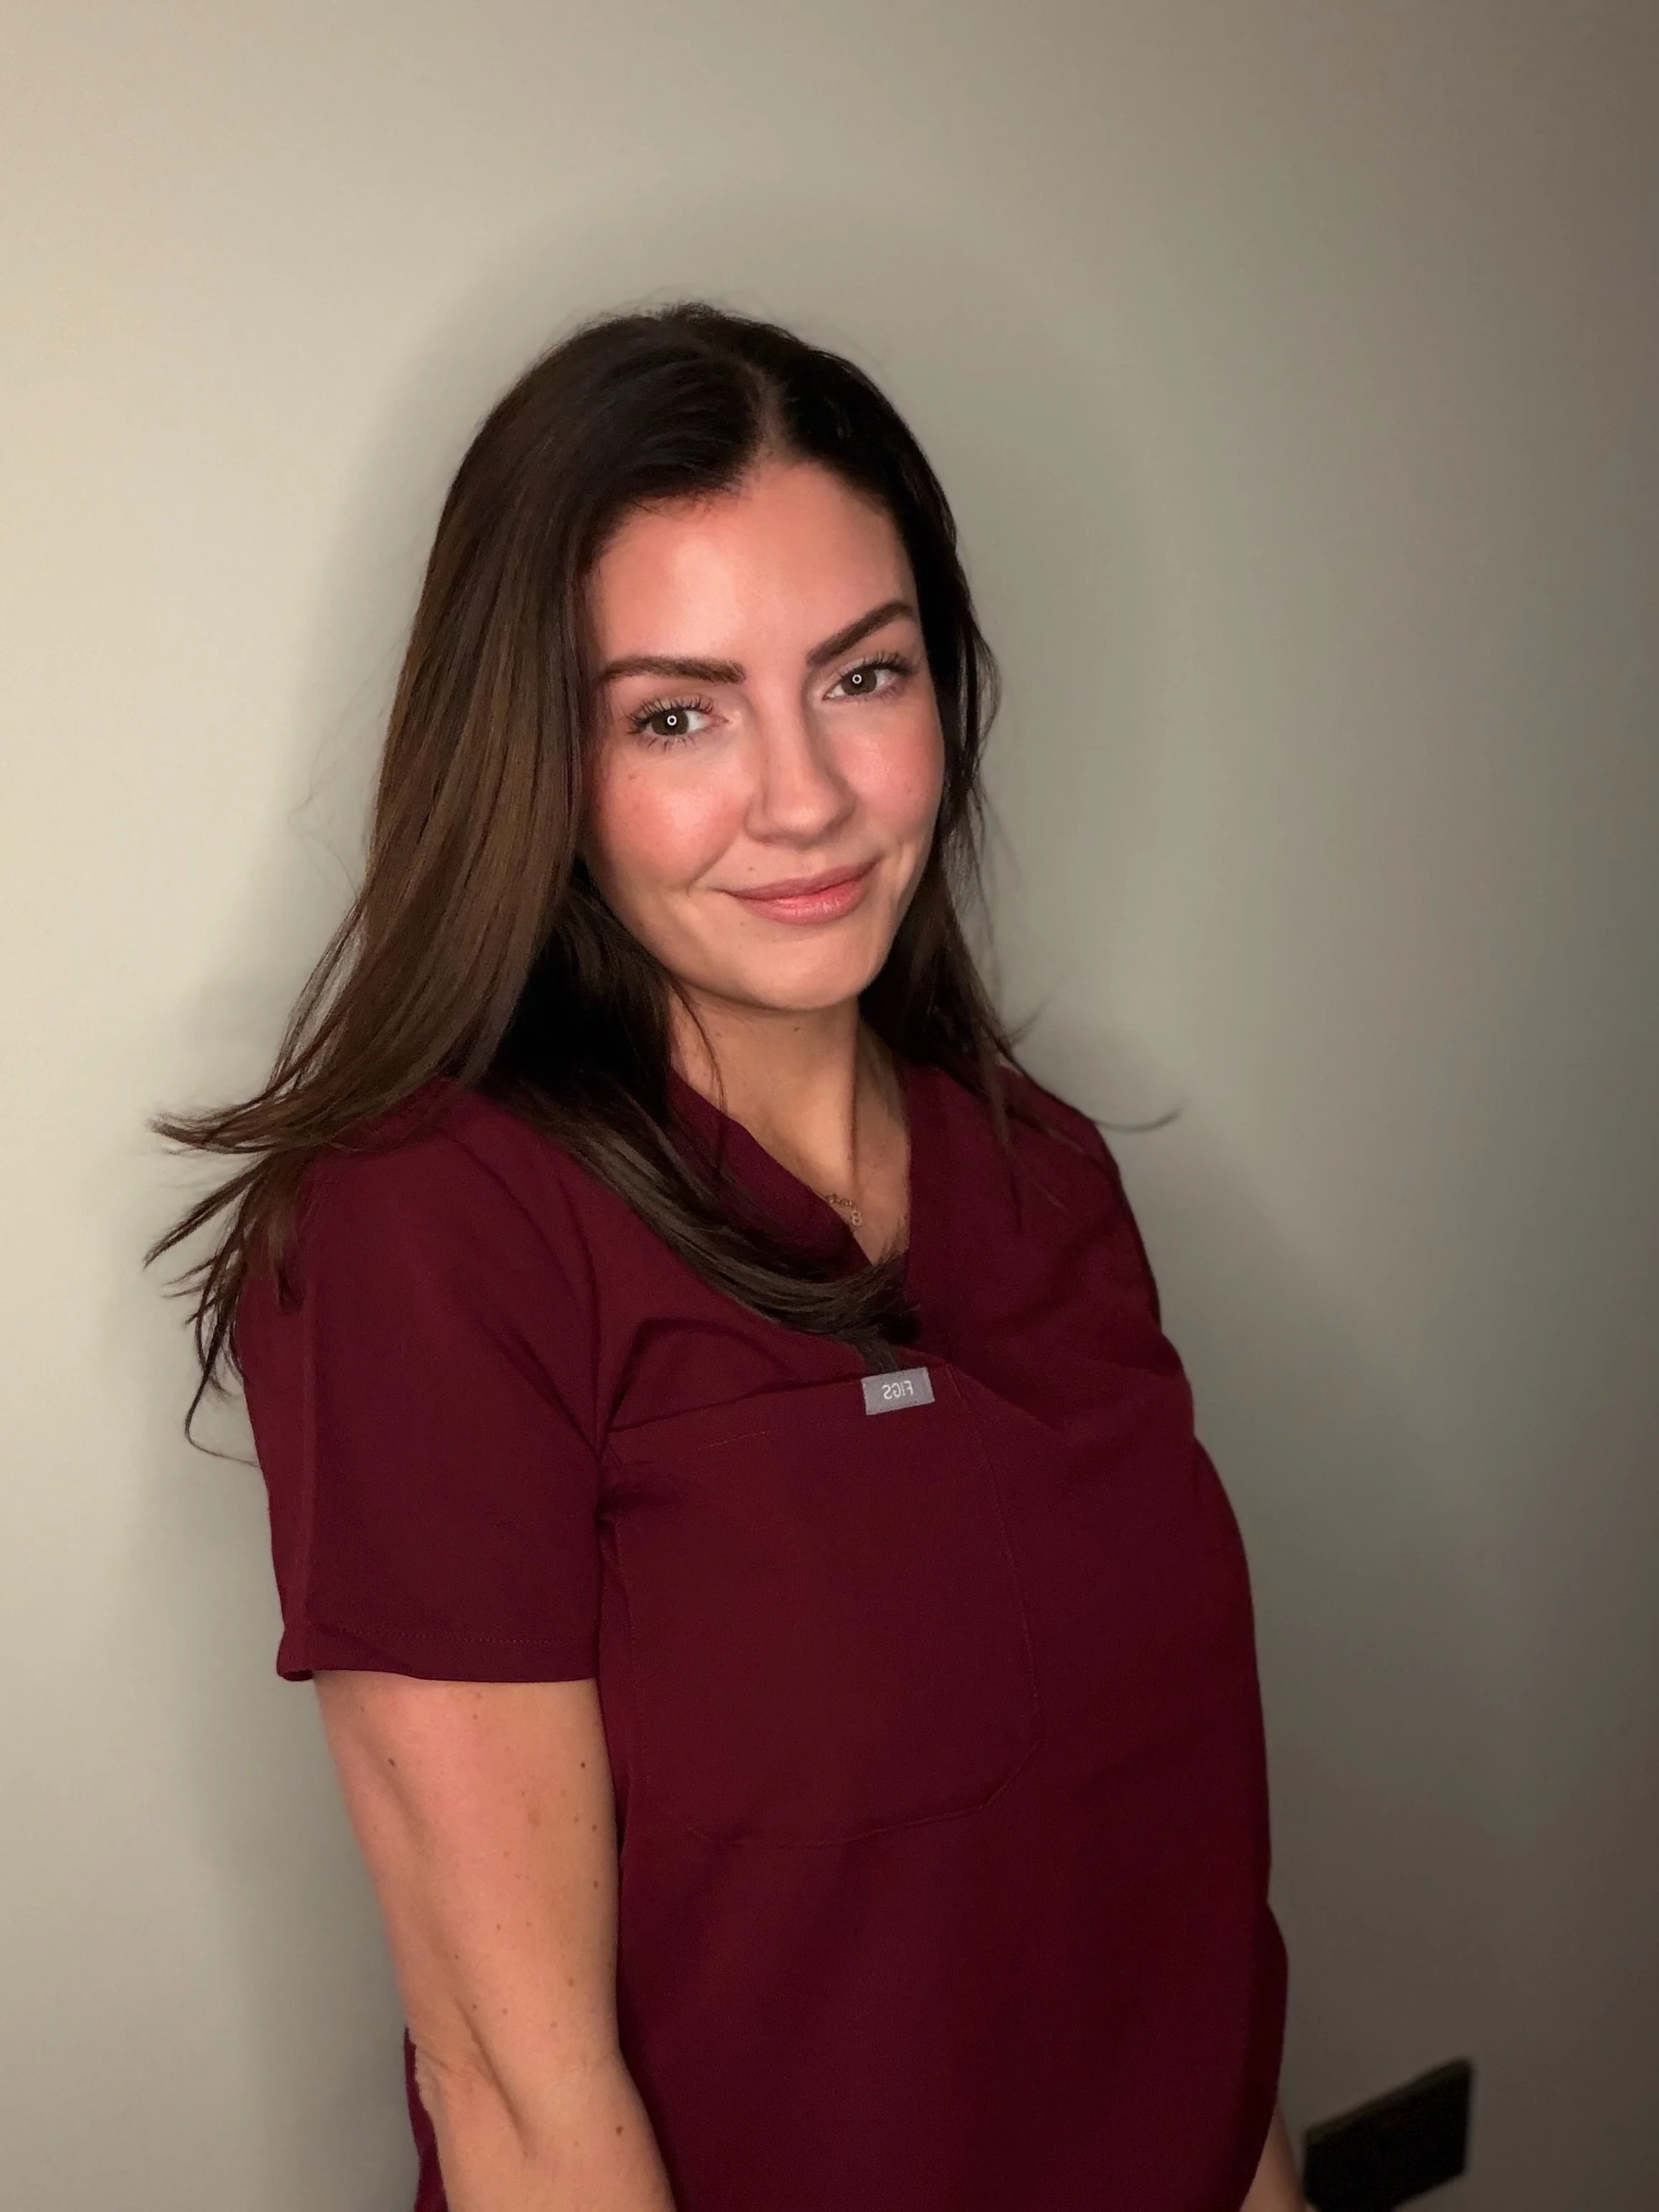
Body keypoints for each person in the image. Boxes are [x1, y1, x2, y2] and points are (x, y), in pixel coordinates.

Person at [153, 304, 1304, 2212]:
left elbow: (1179, 1938)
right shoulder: (436, 1237)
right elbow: (521, 2091)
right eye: (674, 714)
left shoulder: (1044, 1176)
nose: (806, 799)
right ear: (540, 755)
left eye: (862, 677)